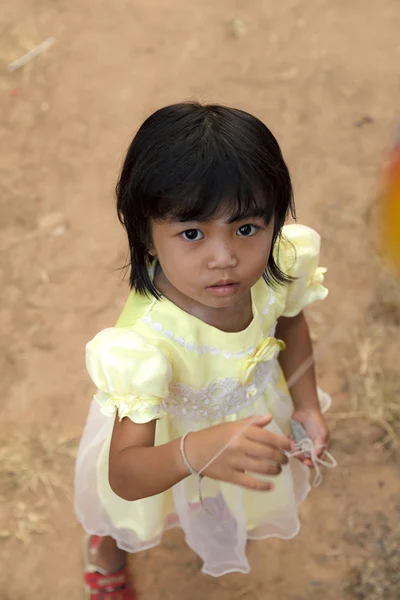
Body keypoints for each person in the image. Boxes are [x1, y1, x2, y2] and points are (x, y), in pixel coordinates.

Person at [75, 102, 331, 599]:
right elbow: (126, 473)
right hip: (158, 437)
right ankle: (106, 550)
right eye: (192, 233)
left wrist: (307, 404)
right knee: (126, 511)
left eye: (247, 228)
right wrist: (197, 450)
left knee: (214, 495)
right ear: (146, 237)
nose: (225, 257)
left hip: (243, 423)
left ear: (275, 222)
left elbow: (292, 324)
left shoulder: (279, 269)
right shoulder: (142, 347)